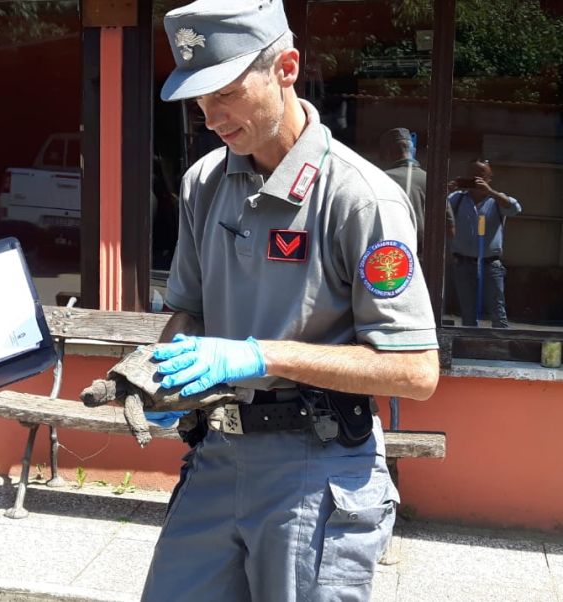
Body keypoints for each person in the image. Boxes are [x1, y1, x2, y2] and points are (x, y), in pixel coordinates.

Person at [140, 1, 440, 600]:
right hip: (218, 452)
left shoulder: (360, 199)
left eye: (224, 90)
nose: (211, 116)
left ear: (286, 67)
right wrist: (158, 376)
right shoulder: (204, 182)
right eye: (198, 99)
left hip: (317, 462)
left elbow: (415, 371)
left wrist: (260, 355)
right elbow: (189, 312)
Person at [446, 159, 522, 328]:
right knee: (467, 312)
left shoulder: (496, 201)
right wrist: (446, 190)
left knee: (497, 310)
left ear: (489, 178)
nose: (475, 179)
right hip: (463, 262)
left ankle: (500, 348)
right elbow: (436, 210)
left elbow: (515, 208)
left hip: (490, 263)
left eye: (481, 175)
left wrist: (491, 192)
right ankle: (468, 345)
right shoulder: (456, 199)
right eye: (472, 175)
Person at [379, 127, 427, 251]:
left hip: (395, 252)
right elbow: (450, 228)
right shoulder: (431, 179)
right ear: (413, 151)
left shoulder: (382, 178)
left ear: (388, 152)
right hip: (426, 254)